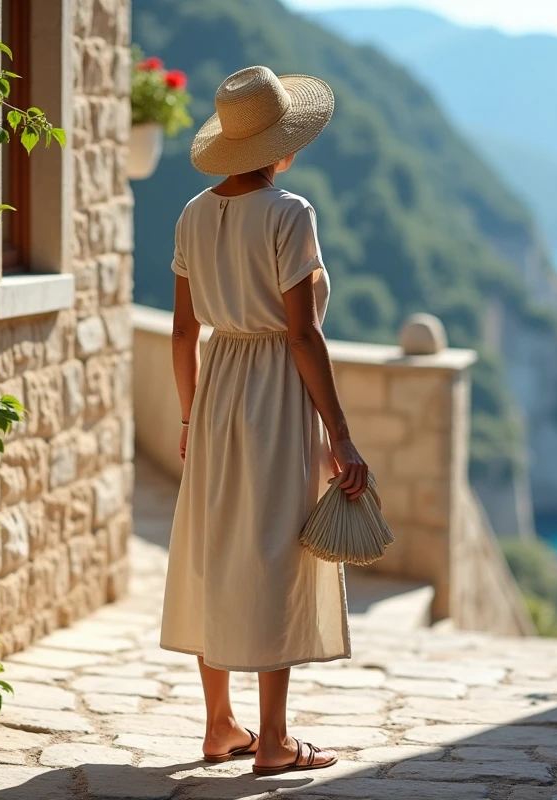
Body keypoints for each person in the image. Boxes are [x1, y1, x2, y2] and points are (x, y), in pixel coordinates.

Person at [159, 65, 369, 776]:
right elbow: (303, 334)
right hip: (277, 394)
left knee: (215, 549)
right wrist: (339, 434)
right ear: (282, 145)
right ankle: (274, 741)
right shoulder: (289, 213)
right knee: (276, 552)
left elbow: (183, 334)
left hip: (216, 389)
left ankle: (220, 725)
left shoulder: (191, 214)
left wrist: (190, 417)